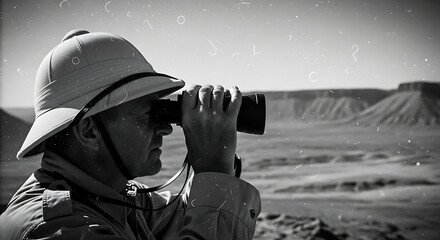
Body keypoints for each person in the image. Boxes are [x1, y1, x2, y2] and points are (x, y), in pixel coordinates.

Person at [0, 30, 261, 239]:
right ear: (89, 131)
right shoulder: (60, 228)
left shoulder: (113, 197)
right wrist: (214, 168)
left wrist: (213, 163)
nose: (166, 128)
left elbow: (185, 218)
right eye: (148, 114)